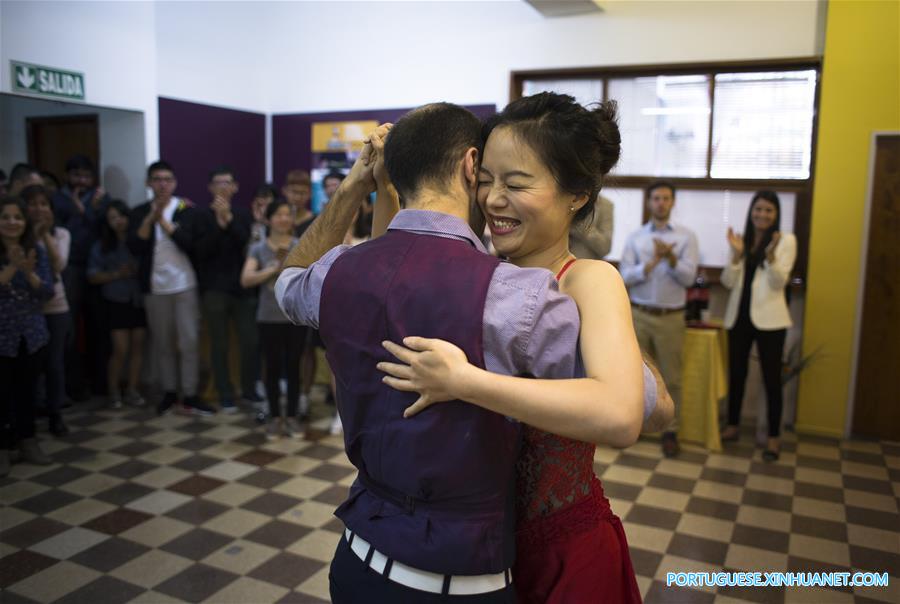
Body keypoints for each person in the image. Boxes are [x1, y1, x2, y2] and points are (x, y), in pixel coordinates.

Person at [275, 102, 663, 603]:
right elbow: (647, 400)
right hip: (466, 569)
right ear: (469, 167)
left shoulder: (344, 272)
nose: (495, 199)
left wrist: (357, 187)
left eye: (516, 183)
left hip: (370, 554)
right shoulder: (508, 293)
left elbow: (290, 281)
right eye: (488, 179)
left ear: (576, 196)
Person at [619, 180, 699, 458]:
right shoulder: (636, 238)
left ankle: (670, 432)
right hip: (639, 313)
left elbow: (689, 278)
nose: (661, 203)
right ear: (649, 202)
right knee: (636, 374)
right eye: (656, 198)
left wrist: (671, 258)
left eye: (666, 198)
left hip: (671, 316)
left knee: (671, 377)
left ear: (673, 202)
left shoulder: (686, 238)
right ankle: (636, 426)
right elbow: (624, 275)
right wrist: (652, 262)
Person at [127, 161, 214, 416]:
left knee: (189, 341)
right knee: (162, 343)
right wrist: (150, 219)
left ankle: (189, 393)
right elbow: (134, 246)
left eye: (167, 179)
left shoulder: (187, 210)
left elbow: (191, 245)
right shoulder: (140, 212)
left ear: (174, 183)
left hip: (184, 284)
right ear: (148, 183)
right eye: (156, 179)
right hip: (154, 288)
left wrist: (165, 224)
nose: (162, 184)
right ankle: (168, 391)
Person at [720, 191, 796, 461]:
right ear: (751, 211)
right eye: (758, 209)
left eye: (768, 211)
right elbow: (728, 281)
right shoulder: (742, 239)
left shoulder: (786, 241)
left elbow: (778, 282)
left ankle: (773, 438)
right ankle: (732, 426)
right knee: (737, 374)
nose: (762, 215)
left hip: (771, 321)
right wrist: (738, 255)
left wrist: (772, 255)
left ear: (776, 215)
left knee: (771, 379)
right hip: (739, 318)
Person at [194, 166, 259, 412]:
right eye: (218, 183)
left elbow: (247, 244)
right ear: (210, 187)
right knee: (218, 344)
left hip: (243, 289)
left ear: (235, 187)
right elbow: (200, 251)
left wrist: (228, 220)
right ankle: (224, 393)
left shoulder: (243, 214)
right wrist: (218, 224)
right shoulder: (199, 215)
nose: (223, 187)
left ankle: (250, 390)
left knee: (249, 341)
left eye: (227, 182)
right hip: (213, 289)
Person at [241, 199, 306, 438]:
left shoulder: (300, 244)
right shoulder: (258, 247)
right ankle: (275, 417)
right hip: (267, 317)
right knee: (272, 366)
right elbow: (246, 279)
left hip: (295, 317)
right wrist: (273, 269)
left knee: (294, 367)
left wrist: (289, 265)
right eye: (277, 214)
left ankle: (292, 416)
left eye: (287, 214)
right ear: (268, 219)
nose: (283, 219)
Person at [0, 195, 54, 475]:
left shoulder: (37, 250)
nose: (12, 222)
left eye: (18, 217)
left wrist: (30, 273)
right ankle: (3, 448)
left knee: (26, 391)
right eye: (6, 217)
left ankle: (27, 441)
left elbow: (48, 292)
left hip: (31, 334)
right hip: (2, 335)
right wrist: (12, 266)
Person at [52, 155, 110, 401]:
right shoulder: (56, 200)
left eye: (86, 176)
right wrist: (77, 211)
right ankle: (72, 386)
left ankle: (100, 383)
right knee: (70, 329)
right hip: (70, 268)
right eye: (77, 175)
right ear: (68, 176)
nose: (82, 181)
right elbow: (55, 231)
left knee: (99, 325)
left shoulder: (100, 199)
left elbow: (107, 231)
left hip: (97, 267)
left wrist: (90, 211)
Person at [22, 185, 71, 436]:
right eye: (33, 203)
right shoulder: (17, 234)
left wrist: (44, 236)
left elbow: (58, 264)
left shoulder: (61, 233)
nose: (39, 209)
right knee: (29, 367)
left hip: (56, 306)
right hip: (27, 309)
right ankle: (28, 417)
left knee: (54, 364)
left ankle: (55, 414)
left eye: (44, 204)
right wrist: (32, 236)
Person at [88, 200, 147, 409]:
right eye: (113, 217)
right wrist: (117, 274)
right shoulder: (101, 245)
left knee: (138, 347)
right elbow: (92, 275)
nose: (118, 221)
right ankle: (113, 390)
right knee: (120, 349)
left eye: (121, 216)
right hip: (115, 300)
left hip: (138, 298)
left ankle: (132, 389)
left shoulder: (137, 240)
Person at [569, 194, 613, 260]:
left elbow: (605, 247)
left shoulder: (605, 205)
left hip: (589, 263)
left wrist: (582, 227)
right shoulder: (563, 199)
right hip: (557, 263)